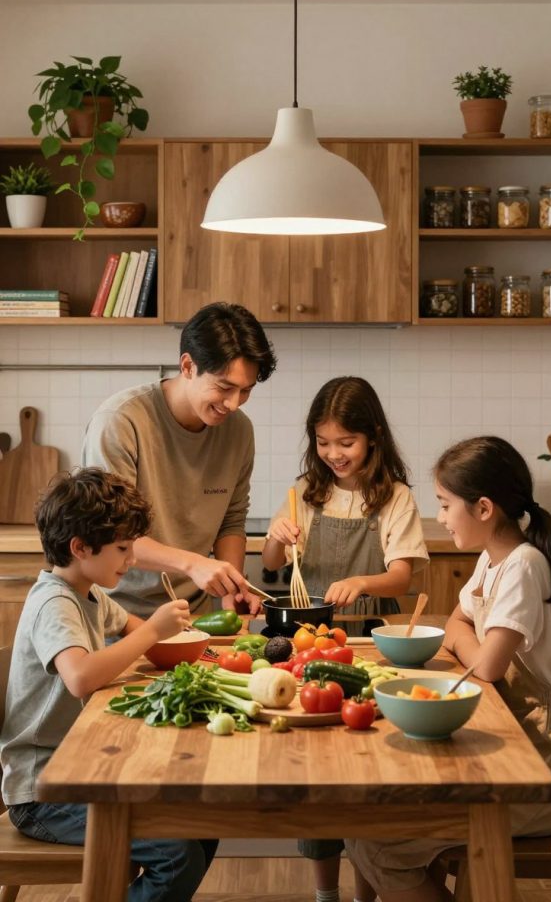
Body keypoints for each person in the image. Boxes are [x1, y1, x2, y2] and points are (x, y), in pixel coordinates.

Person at [346, 435, 551, 902]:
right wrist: (465, 640)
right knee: (364, 829)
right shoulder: (492, 559)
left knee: (379, 845)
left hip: (545, 767)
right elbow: (455, 622)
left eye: (444, 504)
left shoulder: (523, 566)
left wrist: (465, 642)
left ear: (482, 509)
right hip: (509, 750)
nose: (439, 518)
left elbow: (490, 666)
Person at [0, 467, 218, 902]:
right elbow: (80, 677)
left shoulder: (89, 593)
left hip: (80, 772)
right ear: (80, 547)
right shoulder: (54, 603)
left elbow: (135, 626)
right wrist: (153, 632)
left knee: (203, 825)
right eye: (122, 549)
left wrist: (204, 654)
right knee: (176, 855)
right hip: (43, 793)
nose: (131, 560)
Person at [263, 376, 429, 902]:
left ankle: (366, 893)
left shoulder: (395, 497)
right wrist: (273, 536)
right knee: (317, 777)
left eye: (346, 443)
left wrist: (364, 581)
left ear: (373, 437)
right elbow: (271, 567)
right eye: (323, 442)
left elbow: (402, 576)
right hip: (312, 638)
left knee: (367, 772)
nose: (333, 454)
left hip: (373, 638)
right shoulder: (304, 493)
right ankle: (325, 893)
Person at [81, 301, 277, 618]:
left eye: (246, 390)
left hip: (190, 617)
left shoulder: (239, 431)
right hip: (115, 616)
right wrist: (193, 562)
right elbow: (110, 533)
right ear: (187, 366)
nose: (233, 404)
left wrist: (231, 587)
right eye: (224, 387)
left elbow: (231, 521)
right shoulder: (121, 421)